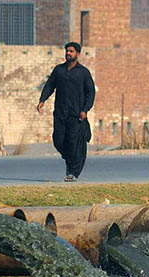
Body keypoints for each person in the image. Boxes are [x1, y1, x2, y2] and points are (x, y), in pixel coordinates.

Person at [37, 42, 95, 182]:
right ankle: (70, 158)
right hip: (60, 113)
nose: (68, 53)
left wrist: (85, 109)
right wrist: (42, 100)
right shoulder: (59, 70)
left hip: (76, 115)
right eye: (67, 51)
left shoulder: (83, 72)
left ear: (78, 54)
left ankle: (72, 172)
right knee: (58, 140)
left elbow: (90, 92)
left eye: (71, 51)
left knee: (73, 143)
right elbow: (50, 85)